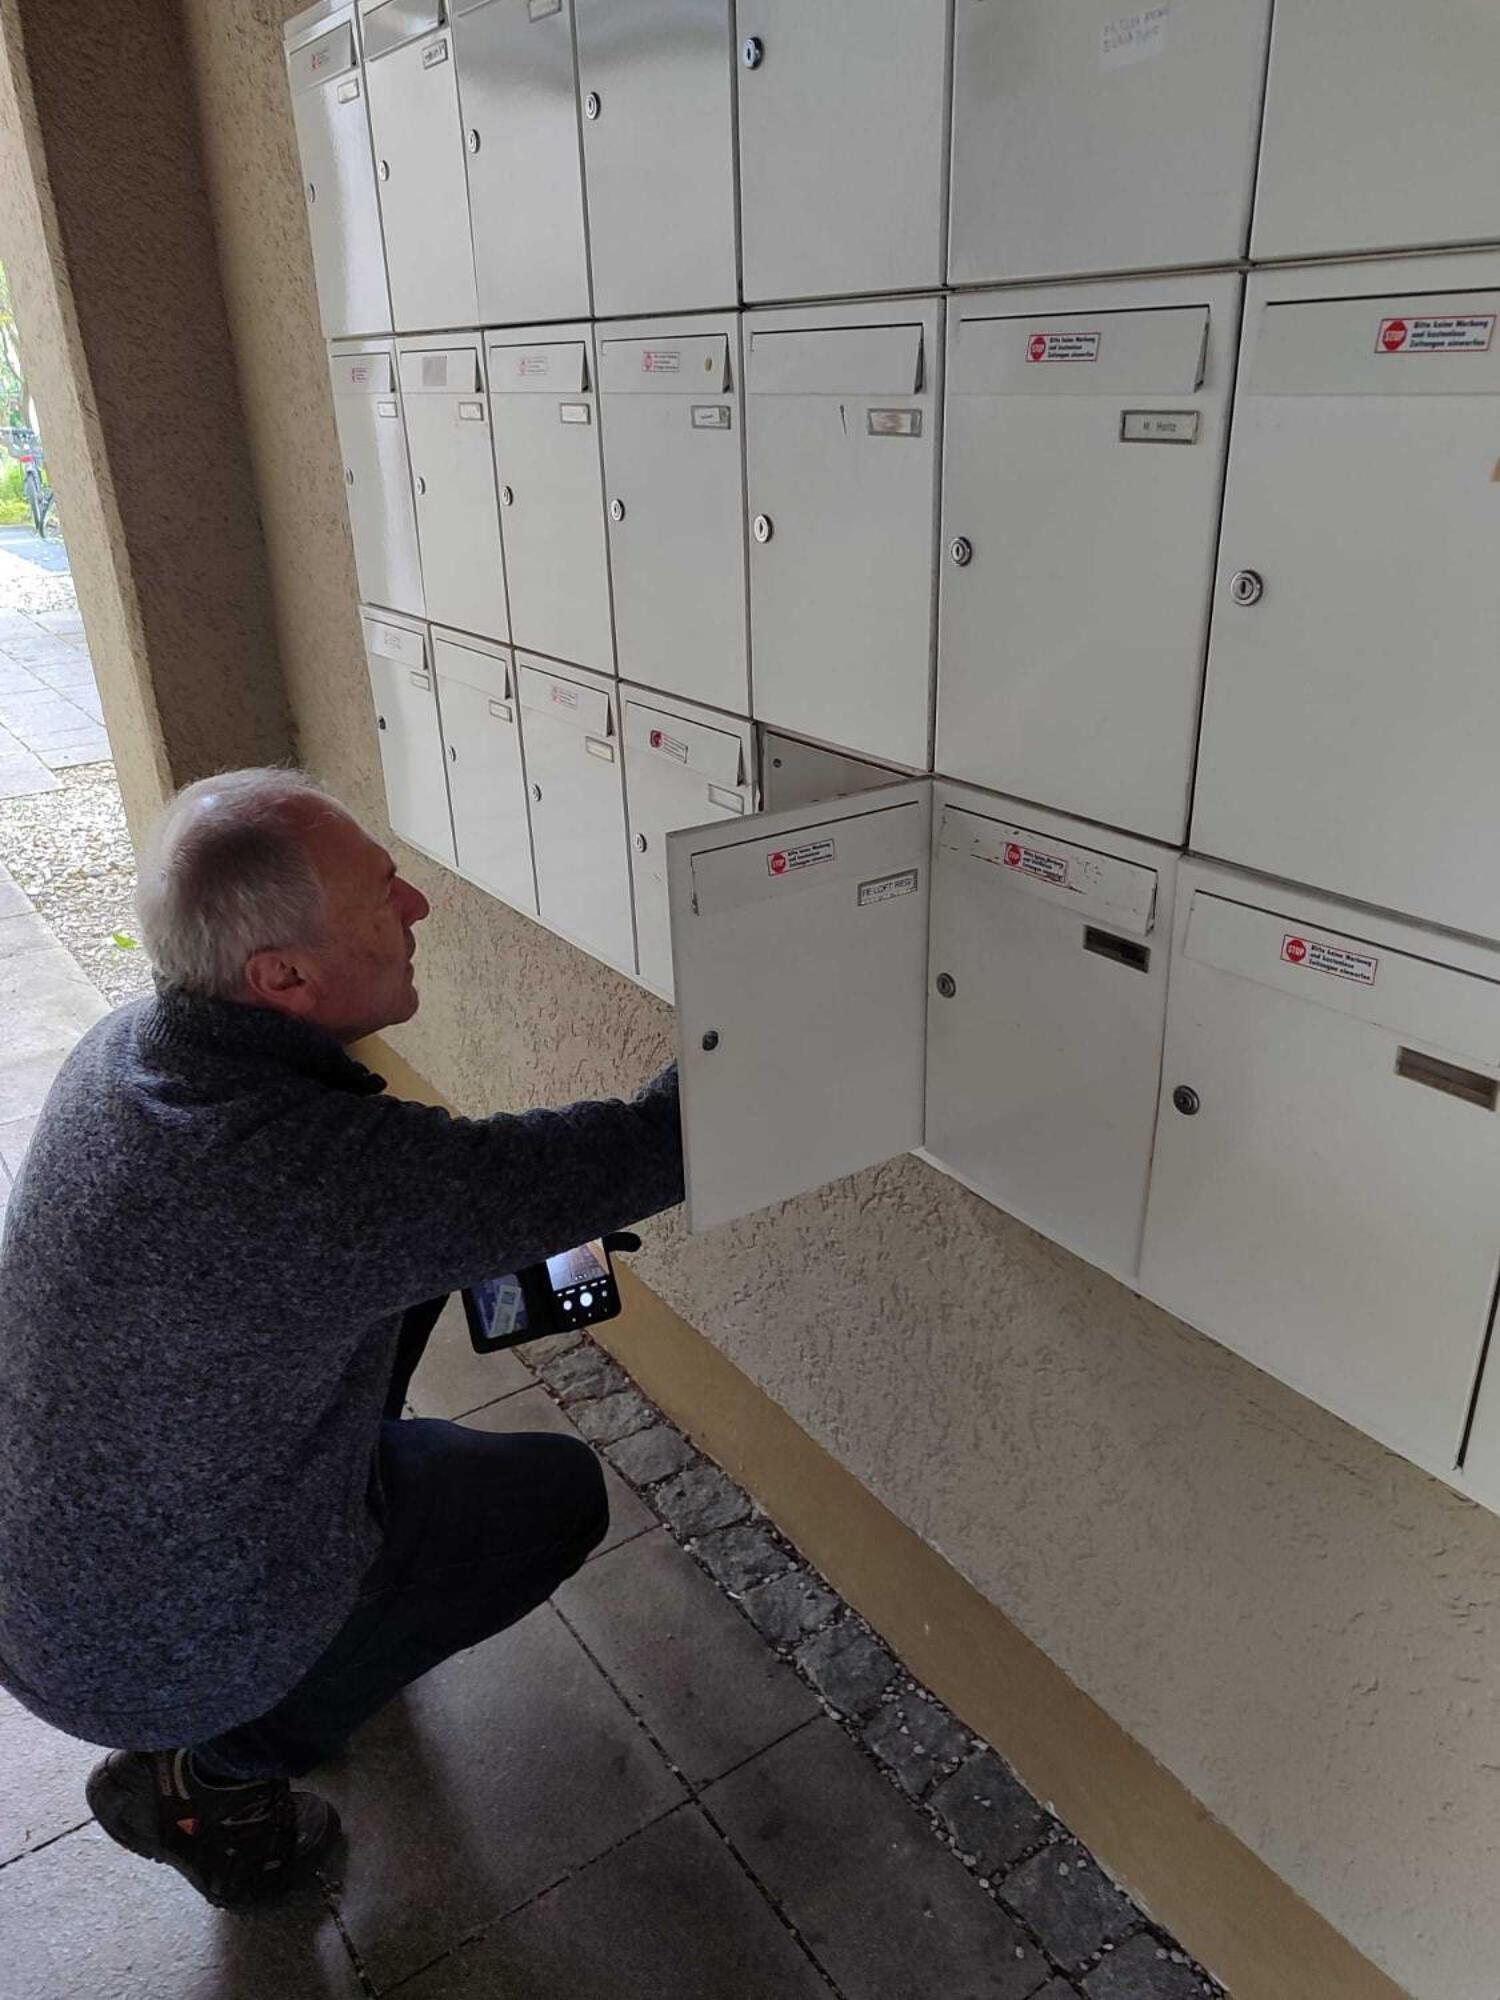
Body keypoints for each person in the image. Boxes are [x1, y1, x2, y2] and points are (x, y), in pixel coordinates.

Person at [0, 767, 683, 1908]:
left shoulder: (134, 1050)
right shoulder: (307, 1177)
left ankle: (281, 1666)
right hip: (145, 1646)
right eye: (383, 894)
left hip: (51, 1582)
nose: (418, 905)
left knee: (411, 1278)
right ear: (285, 977)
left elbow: (399, 1222)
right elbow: (653, 1144)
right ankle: (209, 1775)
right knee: (555, 1494)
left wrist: (510, 1211)